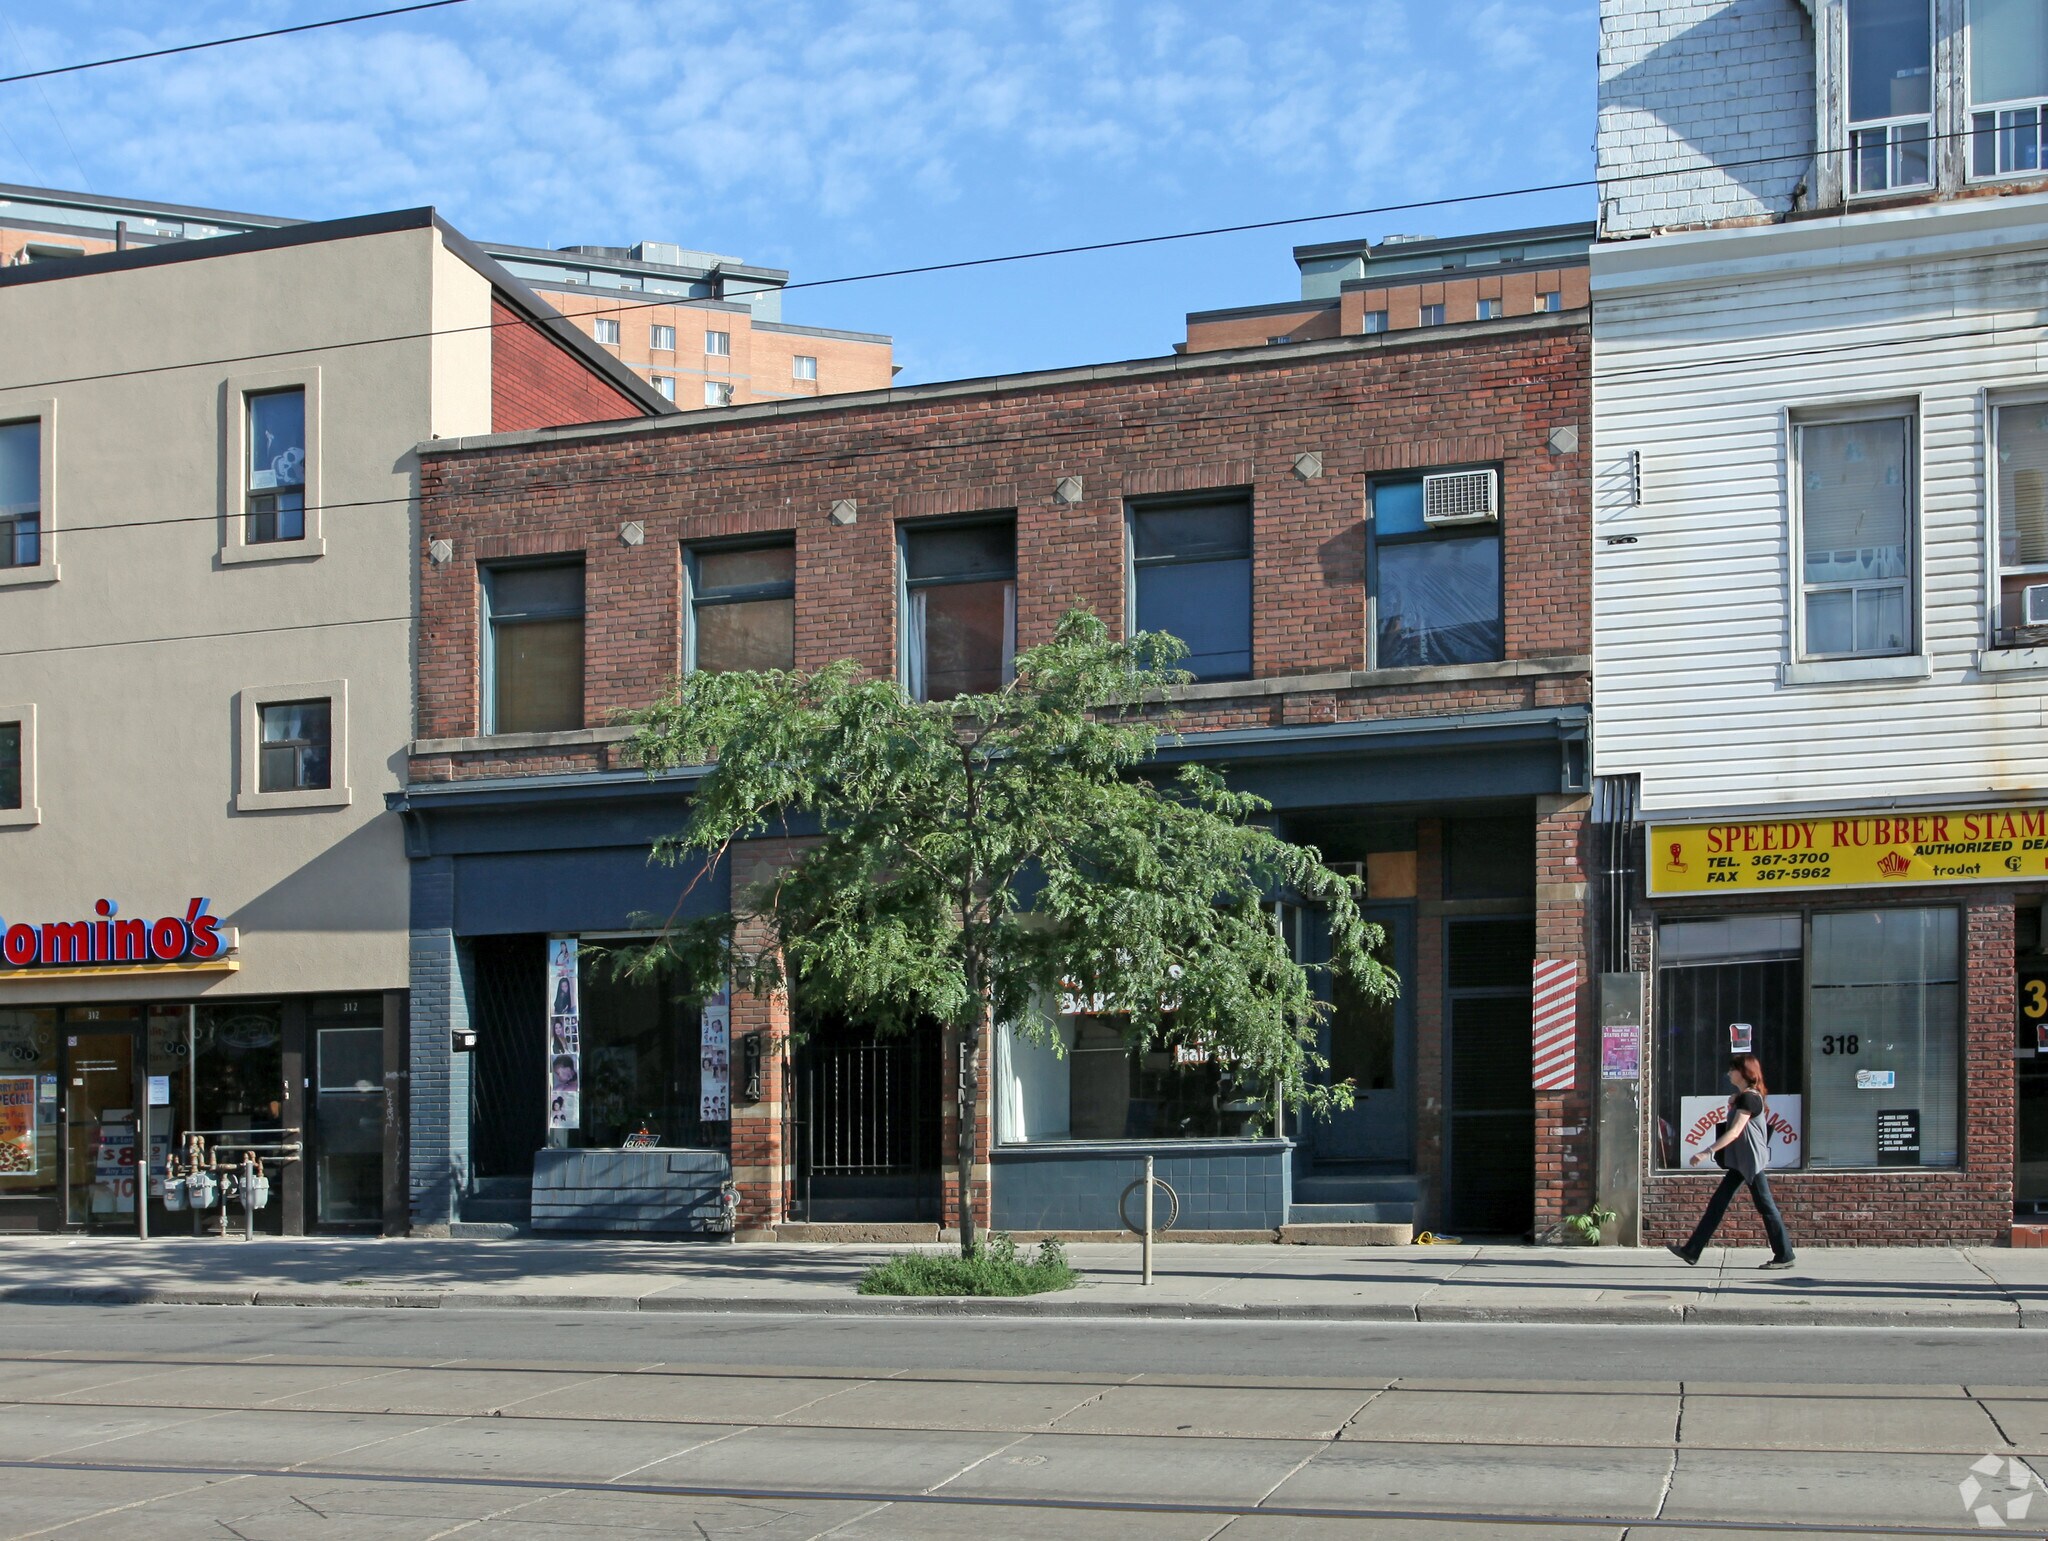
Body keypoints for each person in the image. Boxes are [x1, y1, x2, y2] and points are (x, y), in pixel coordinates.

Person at [1668, 1054, 1796, 1270]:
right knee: (1718, 1204)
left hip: (1750, 1160)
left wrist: (1706, 1152)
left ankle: (1784, 1255)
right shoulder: (1744, 1097)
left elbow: (1736, 1131)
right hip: (1741, 1161)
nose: (1728, 1073)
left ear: (1744, 1072)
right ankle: (1691, 1251)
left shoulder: (1750, 1098)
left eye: (1732, 1069)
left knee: (1766, 1206)